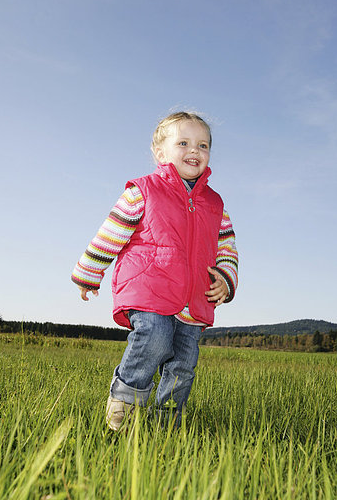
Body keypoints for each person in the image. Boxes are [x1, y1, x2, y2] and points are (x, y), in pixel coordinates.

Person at [71, 111, 238, 430]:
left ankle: (167, 425)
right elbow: (111, 232)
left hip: (193, 301)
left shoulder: (215, 204)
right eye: (184, 143)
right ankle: (126, 400)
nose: (195, 151)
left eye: (203, 145)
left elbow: (226, 247)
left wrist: (226, 280)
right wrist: (89, 272)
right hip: (149, 289)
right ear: (161, 153)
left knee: (183, 367)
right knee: (156, 337)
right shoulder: (143, 191)